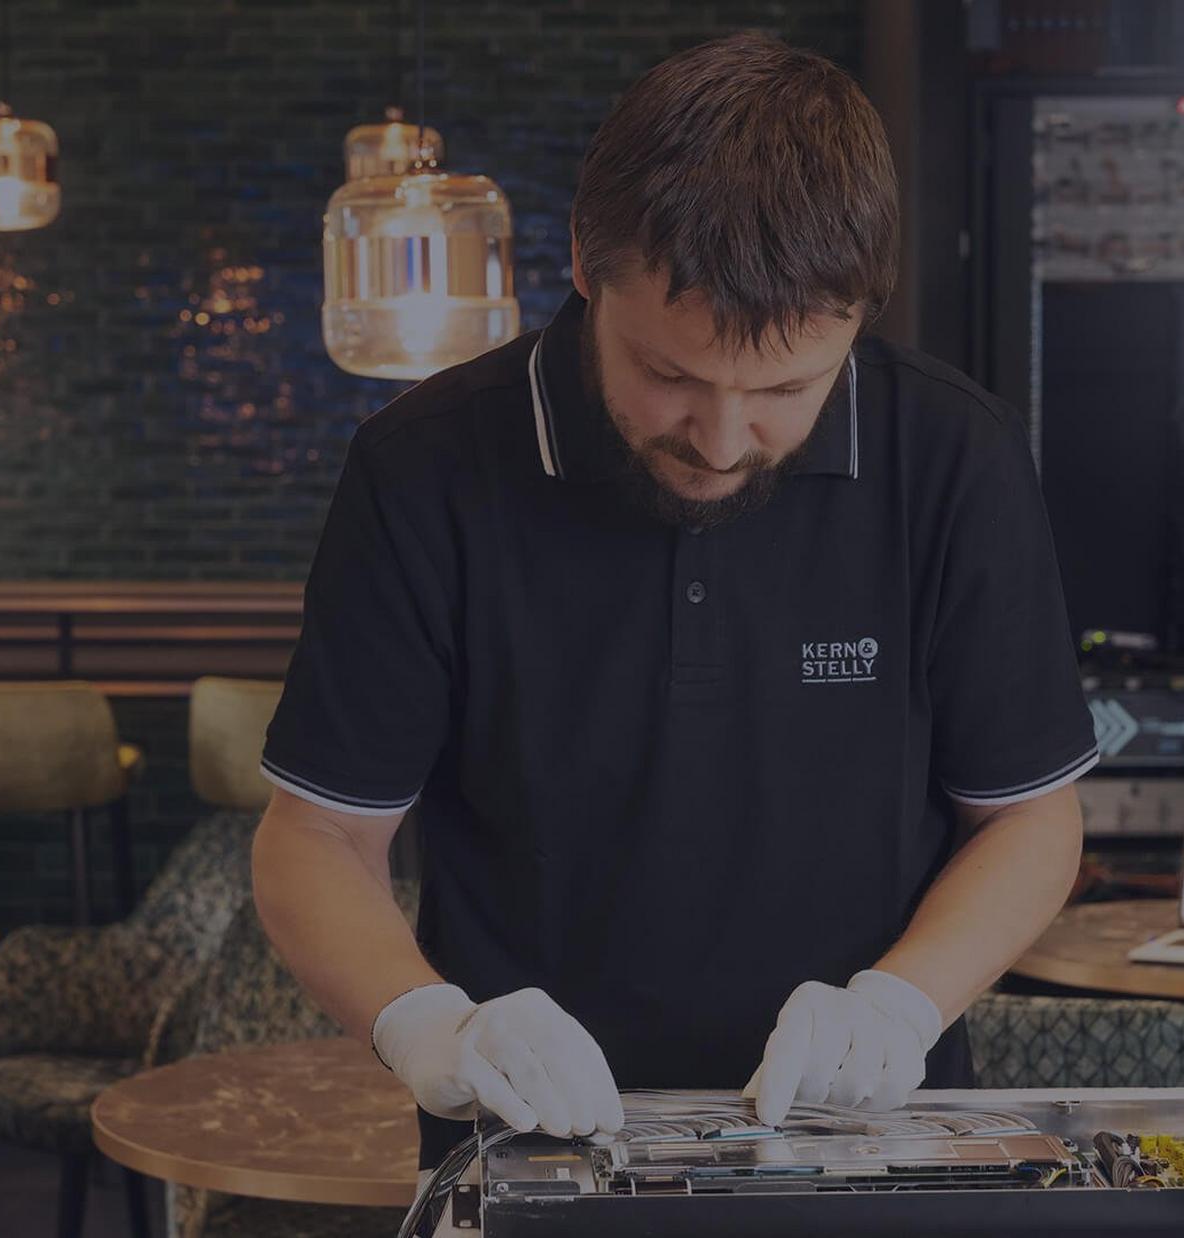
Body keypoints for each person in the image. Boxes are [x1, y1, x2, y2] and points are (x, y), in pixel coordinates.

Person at [252, 31, 1097, 1170]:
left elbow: (1029, 816)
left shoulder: (955, 457)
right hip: (531, 1147)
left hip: (867, 1143)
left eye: (787, 389)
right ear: (586, 269)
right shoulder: (426, 469)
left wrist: (901, 1002)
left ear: (861, 310)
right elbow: (317, 835)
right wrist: (429, 1025)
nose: (722, 438)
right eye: (670, 375)